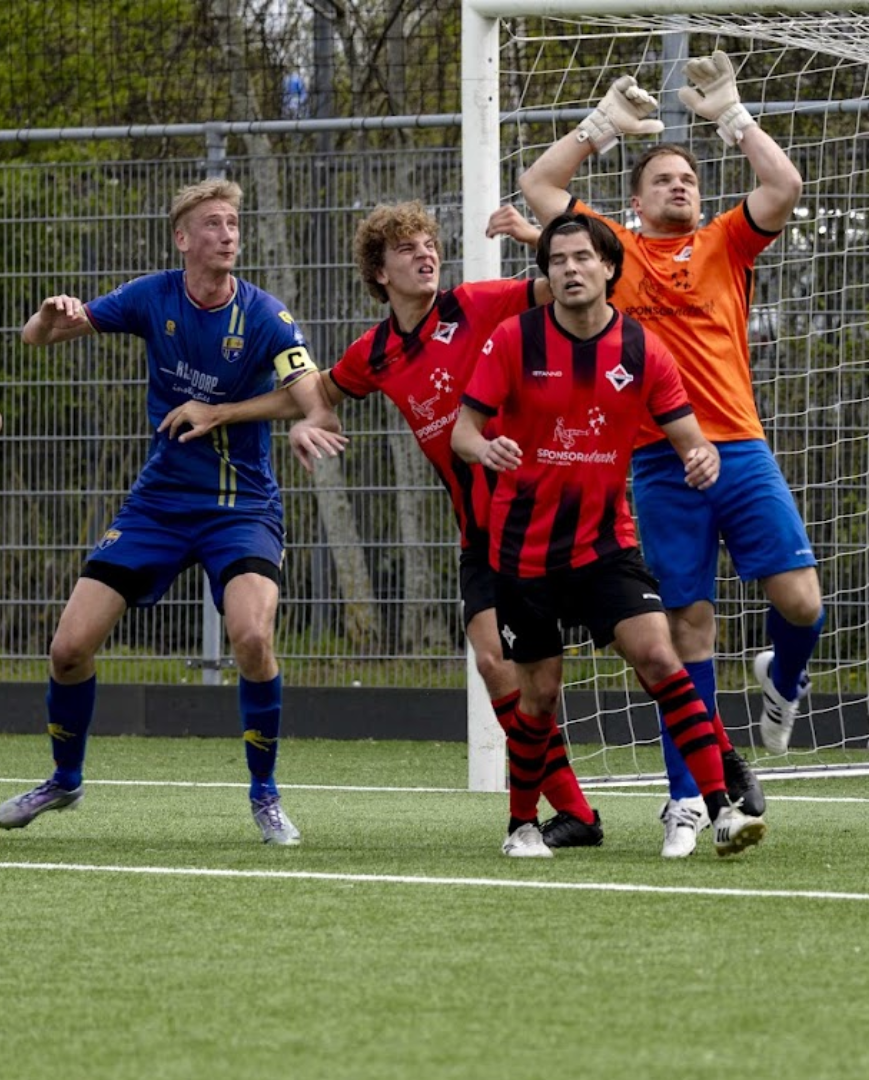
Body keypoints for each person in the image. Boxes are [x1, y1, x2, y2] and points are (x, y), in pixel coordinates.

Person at [157, 200, 605, 849]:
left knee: (640, 651)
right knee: (492, 662)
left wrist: (538, 233)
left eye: (430, 243)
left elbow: (575, 284)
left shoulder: (479, 303)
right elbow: (313, 394)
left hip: (551, 514)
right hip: (482, 532)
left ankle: (702, 784)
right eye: (408, 248)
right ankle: (575, 812)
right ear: (380, 271)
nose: (426, 253)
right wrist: (229, 411)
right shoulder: (380, 351)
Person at [519, 52, 818, 854]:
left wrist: (733, 115)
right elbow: (540, 189)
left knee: (802, 603)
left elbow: (784, 188)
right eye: (663, 178)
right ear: (635, 200)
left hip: (740, 448)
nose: (680, 185)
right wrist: (602, 127)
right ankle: (688, 800)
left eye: (688, 176)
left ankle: (782, 684)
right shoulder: (613, 254)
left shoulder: (725, 241)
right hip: (658, 463)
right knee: (685, 628)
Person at [0, 178, 346, 844]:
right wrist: (51, 313)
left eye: (233, 224)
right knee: (69, 648)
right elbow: (34, 337)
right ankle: (63, 781)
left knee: (251, 637)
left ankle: (265, 792)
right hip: (158, 504)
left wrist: (223, 412)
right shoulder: (150, 296)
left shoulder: (266, 315)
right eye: (213, 224)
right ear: (183, 238)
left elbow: (317, 399)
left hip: (240, 506)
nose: (228, 234)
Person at [451, 212, 766, 859]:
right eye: (558, 259)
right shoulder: (515, 340)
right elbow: (463, 432)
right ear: (547, 273)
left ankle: (720, 811)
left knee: (659, 657)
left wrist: (701, 456)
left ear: (609, 269)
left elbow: (689, 437)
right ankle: (521, 826)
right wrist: (487, 449)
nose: (570, 268)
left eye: (582, 258)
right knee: (538, 697)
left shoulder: (643, 350)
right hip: (522, 554)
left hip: (604, 548)